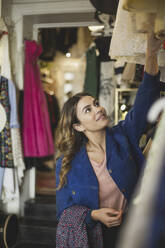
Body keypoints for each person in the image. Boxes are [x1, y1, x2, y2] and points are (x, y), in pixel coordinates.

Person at [55, 32, 165, 248]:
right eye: (88, 110)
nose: (98, 109)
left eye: (96, 103)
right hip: (94, 238)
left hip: (133, 230)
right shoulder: (66, 163)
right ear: (78, 126)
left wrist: (151, 52)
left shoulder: (124, 135)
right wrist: (94, 215)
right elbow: (63, 213)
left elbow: (146, 97)